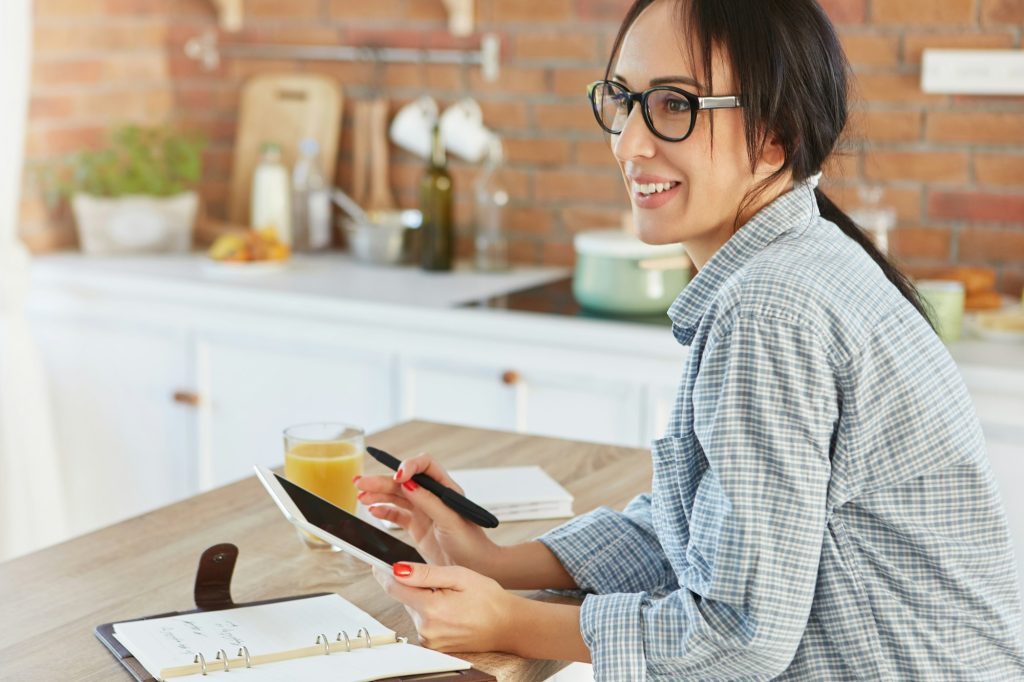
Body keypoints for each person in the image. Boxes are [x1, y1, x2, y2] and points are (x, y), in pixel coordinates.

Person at [357, 0, 1024, 678]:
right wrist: (493, 562)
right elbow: (705, 533)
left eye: (674, 105)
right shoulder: (795, 263)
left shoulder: (771, 309)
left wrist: (509, 621)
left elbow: (737, 635)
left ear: (775, 134)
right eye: (624, 99)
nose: (629, 143)